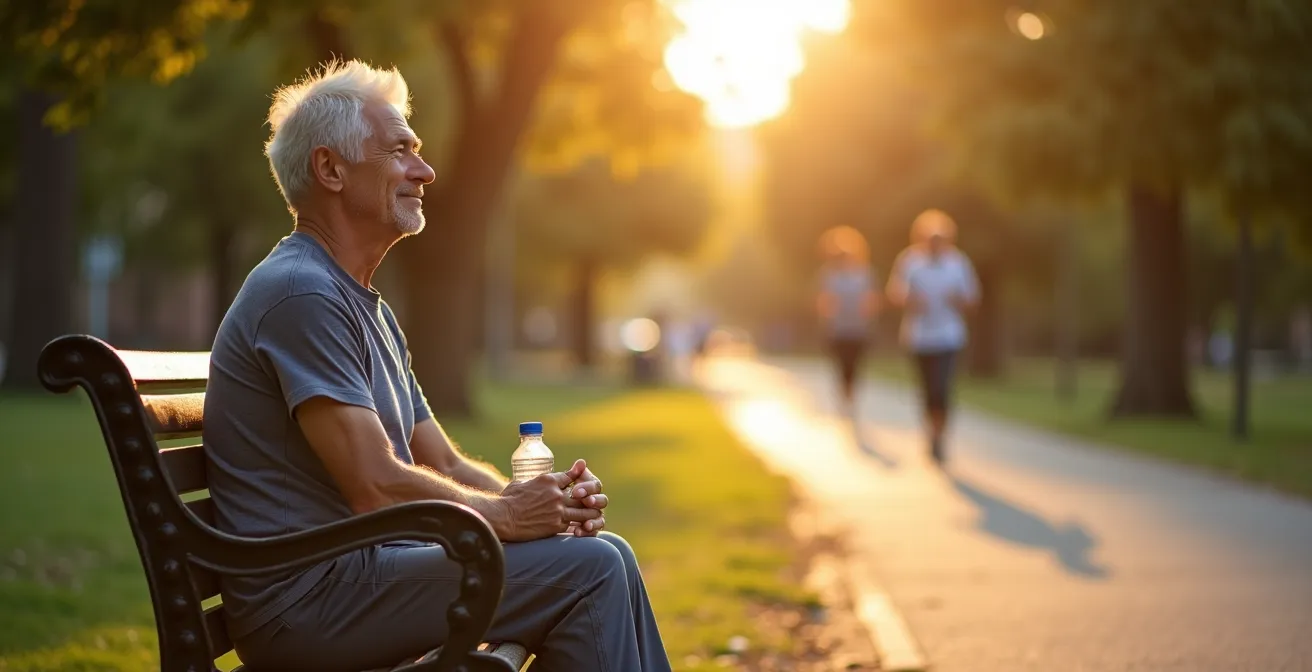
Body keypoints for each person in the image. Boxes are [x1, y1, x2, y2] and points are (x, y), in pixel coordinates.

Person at [202, 59, 671, 672]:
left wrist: (535, 505)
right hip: (307, 602)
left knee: (607, 551)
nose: (424, 171)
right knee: (591, 569)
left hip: (359, 578)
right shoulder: (301, 294)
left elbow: (442, 461)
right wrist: (506, 517)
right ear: (330, 169)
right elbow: (372, 482)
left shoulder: (360, 304)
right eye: (400, 151)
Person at [885, 209, 980, 465]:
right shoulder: (910, 261)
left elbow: (972, 297)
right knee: (927, 389)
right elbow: (895, 292)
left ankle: (940, 436)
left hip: (949, 336)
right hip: (919, 337)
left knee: (942, 388)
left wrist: (957, 300)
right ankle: (931, 431)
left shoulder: (958, 263)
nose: (935, 243)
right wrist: (911, 300)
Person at [816, 226, 880, 415]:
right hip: (837, 328)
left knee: (855, 365)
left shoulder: (865, 274)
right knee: (841, 365)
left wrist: (868, 311)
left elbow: (872, 299)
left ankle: (851, 397)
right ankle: (844, 397)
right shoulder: (829, 274)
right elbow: (823, 300)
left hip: (859, 328)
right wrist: (827, 312)